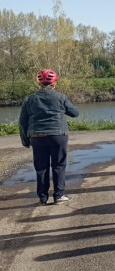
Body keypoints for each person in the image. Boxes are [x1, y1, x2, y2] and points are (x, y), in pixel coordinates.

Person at [19, 69, 79, 205]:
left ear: (38, 83)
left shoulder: (30, 99)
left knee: (41, 167)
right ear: (54, 83)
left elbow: (22, 121)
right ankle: (59, 195)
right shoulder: (60, 97)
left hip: (37, 136)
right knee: (59, 165)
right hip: (58, 135)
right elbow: (75, 113)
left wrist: (25, 140)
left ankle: (42, 198)